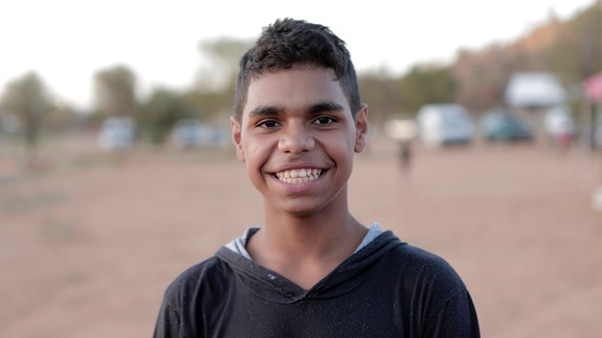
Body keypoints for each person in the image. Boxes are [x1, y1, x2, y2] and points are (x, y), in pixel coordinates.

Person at [153, 18, 480, 337]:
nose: (295, 143)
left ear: (360, 129)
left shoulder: (426, 291)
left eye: (323, 119)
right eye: (269, 123)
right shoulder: (193, 302)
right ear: (239, 140)